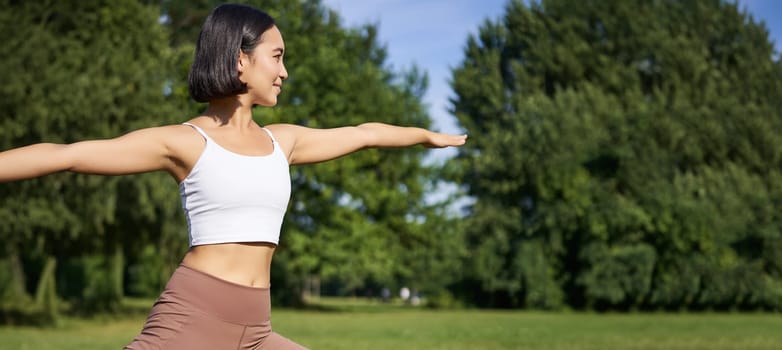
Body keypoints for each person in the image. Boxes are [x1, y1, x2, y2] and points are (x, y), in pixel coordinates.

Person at [0, 3, 466, 350]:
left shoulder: (284, 142)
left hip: (256, 329)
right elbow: (69, 155)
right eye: (277, 56)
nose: (284, 71)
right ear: (240, 60)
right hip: (193, 320)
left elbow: (364, 133)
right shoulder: (186, 142)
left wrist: (427, 135)